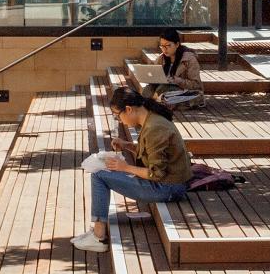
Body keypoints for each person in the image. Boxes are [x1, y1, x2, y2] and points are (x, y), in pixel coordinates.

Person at [72, 88, 191, 253]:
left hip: (168, 188)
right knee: (102, 174)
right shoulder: (152, 119)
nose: (119, 120)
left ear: (128, 109)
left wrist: (125, 167)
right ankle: (97, 232)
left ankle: (98, 236)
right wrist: (127, 146)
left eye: (117, 114)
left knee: (99, 176)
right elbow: (152, 154)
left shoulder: (154, 128)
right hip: (171, 183)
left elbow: (156, 174)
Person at [145, 28, 204, 108]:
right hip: (165, 91)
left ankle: (156, 102)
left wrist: (177, 80)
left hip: (183, 91)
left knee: (164, 88)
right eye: (162, 46)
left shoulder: (189, 59)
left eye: (168, 45)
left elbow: (196, 85)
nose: (164, 49)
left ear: (177, 44)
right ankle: (155, 102)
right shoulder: (161, 58)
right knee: (148, 89)